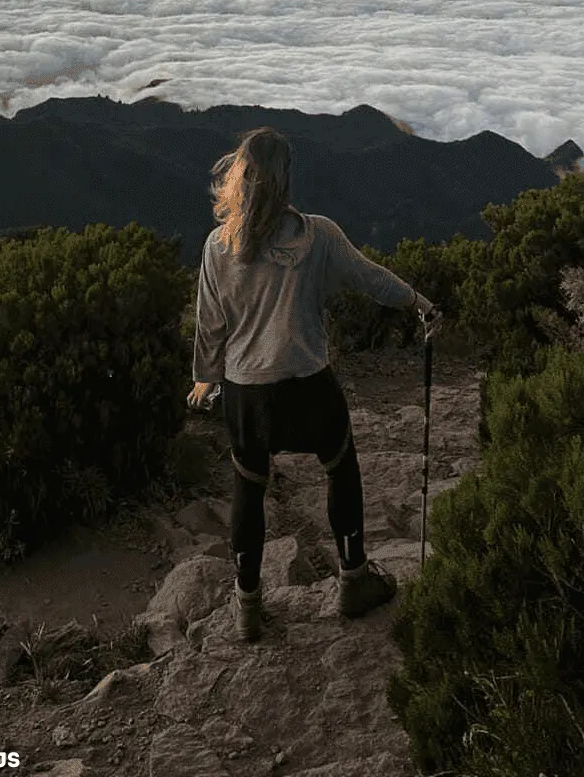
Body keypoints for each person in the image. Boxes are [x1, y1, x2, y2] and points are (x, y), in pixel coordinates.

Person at [187, 124, 442, 644]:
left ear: (239, 177)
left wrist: (204, 378)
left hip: (247, 393)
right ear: (284, 181)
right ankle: (352, 580)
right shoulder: (317, 235)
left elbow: (210, 323)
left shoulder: (217, 247)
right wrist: (419, 303)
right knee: (340, 468)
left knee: (248, 488)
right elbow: (369, 277)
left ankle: (247, 608)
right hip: (307, 384)